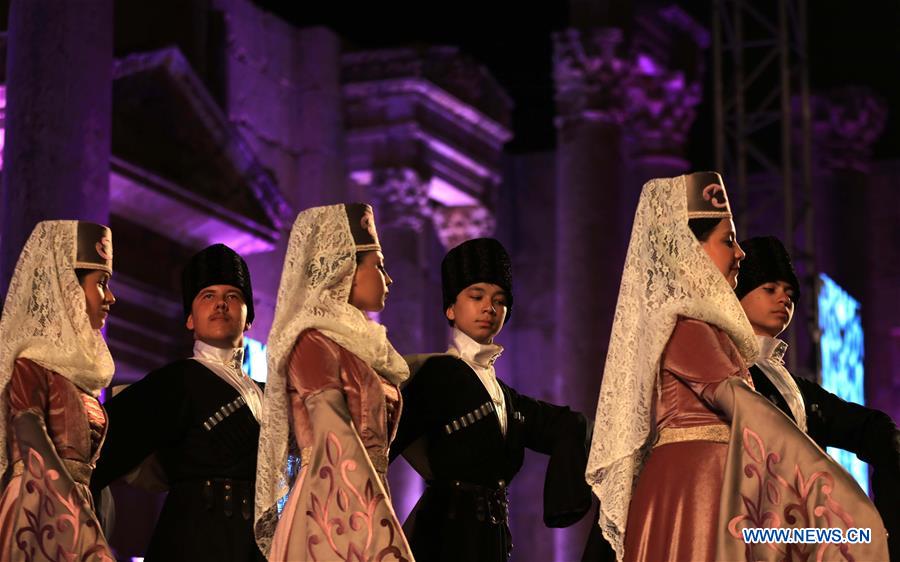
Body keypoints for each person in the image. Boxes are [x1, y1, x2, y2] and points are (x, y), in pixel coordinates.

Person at [586, 172, 887, 562]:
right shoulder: (685, 325)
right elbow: (747, 406)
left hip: (719, 483)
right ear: (690, 250)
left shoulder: (706, 330)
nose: (740, 253)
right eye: (728, 241)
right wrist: (831, 488)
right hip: (698, 487)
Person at [389, 237, 593, 562]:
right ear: (450, 308)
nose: (489, 308)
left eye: (500, 299)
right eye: (477, 296)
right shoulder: (437, 374)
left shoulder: (503, 395)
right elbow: (384, 446)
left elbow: (566, 425)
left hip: (491, 539)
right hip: (445, 537)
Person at [254, 203, 413, 561]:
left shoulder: (360, 347)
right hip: (329, 502)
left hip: (368, 497)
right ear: (348, 271)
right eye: (379, 266)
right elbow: (334, 436)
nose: (388, 278)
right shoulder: (312, 341)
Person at [90, 244, 265, 561]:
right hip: (193, 544)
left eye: (233, 296)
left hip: (259, 547)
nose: (221, 305)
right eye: (207, 296)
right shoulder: (175, 381)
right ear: (190, 319)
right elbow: (95, 452)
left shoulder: (273, 395)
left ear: (249, 317)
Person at [736, 235, 900, 560]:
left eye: (790, 293)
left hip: (801, 526)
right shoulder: (722, 369)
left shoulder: (794, 386)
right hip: (746, 521)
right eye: (770, 289)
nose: (784, 299)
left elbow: (861, 424)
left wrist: (890, 440)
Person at [0, 220, 117, 561]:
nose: (110, 297)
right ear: (68, 287)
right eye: (102, 283)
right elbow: (31, 437)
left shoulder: (73, 375)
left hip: (75, 508)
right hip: (38, 510)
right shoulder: (31, 365)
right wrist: (78, 515)